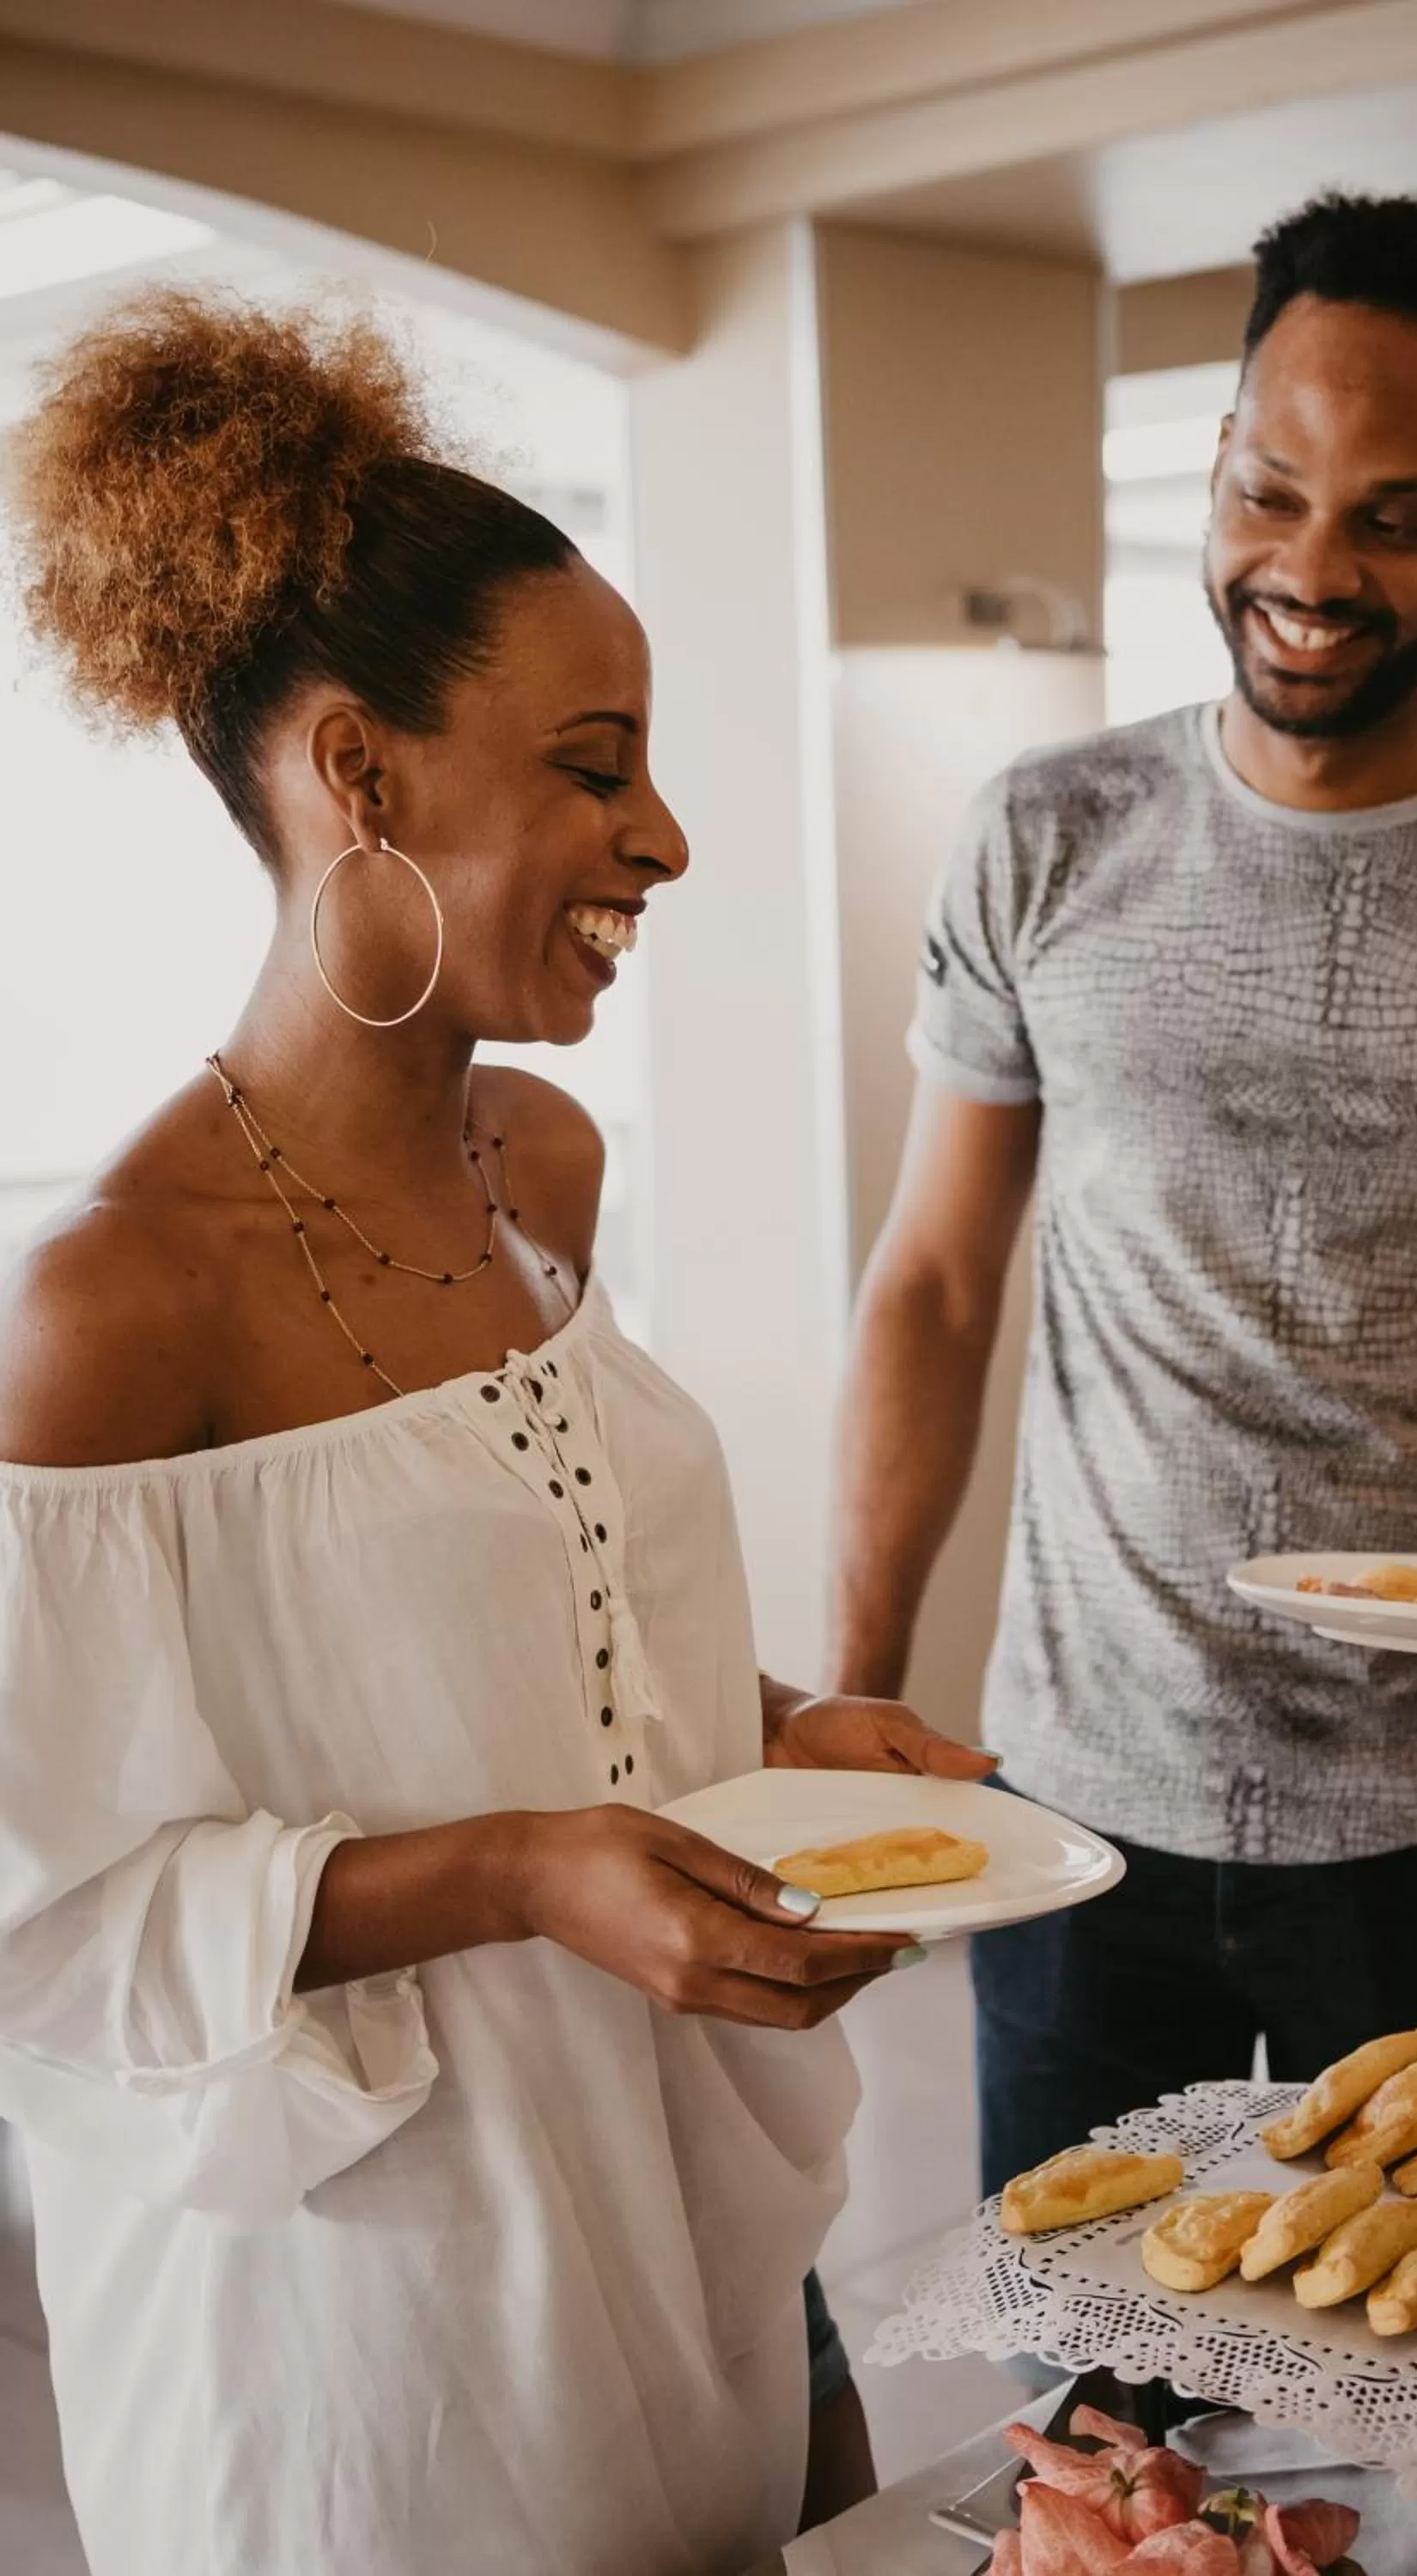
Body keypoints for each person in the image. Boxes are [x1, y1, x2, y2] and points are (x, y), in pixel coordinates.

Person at [0, 292, 994, 2576]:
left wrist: (778, 1740)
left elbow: (532, 1650)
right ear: (361, 777)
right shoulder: (109, 1309)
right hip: (367, 2331)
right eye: (594, 763)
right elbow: (49, 1925)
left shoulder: (542, 1164)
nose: (664, 836)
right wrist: (522, 1879)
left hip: (674, 2198)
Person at [830, 192, 1417, 2200]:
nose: (1306, 571)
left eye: (1393, 518)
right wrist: (862, 1681)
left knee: (1400, 2404)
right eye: (1267, 492)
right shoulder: (1042, 834)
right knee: (1083, 2416)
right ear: (1218, 463)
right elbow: (937, 1288)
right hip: (1072, 1794)